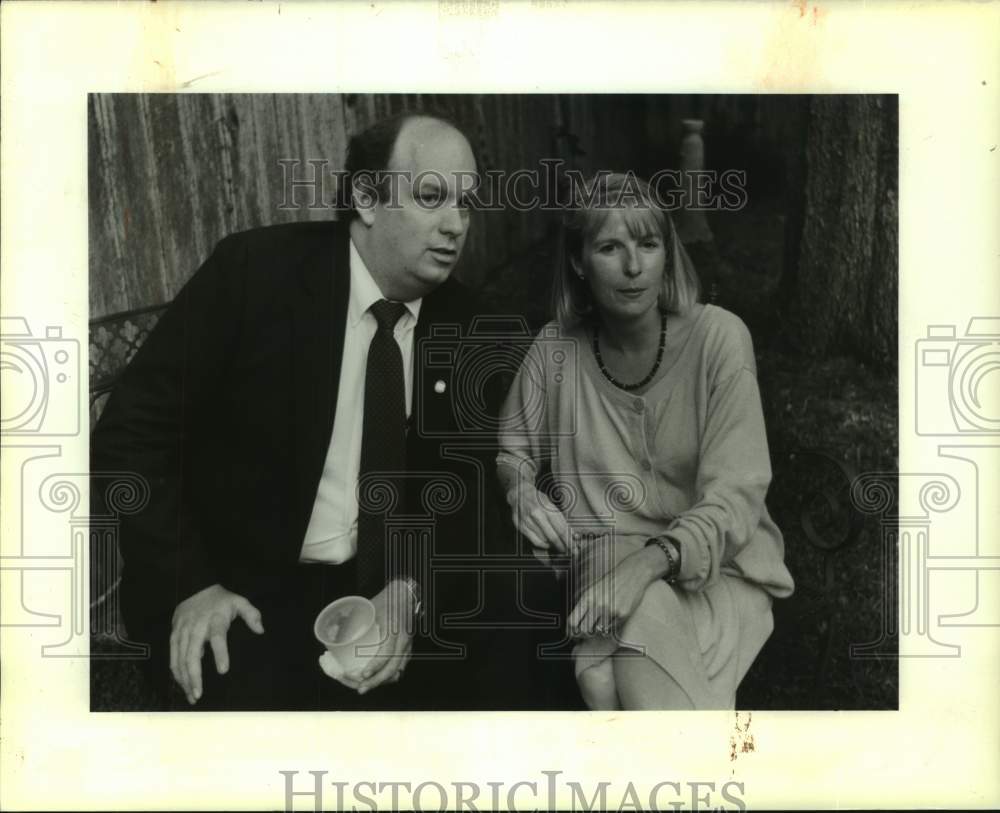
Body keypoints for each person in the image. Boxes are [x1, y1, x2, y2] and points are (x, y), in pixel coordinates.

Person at [91, 111, 501, 711]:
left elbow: (465, 484)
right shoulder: (256, 275)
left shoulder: (468, 324)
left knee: (485, 693)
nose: (455, 226)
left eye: (466, 205)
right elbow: (131, 434)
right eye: (433, 197)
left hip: (384, 590)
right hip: (240, 588)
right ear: (366, 196)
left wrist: (411, 589)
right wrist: (191, 584)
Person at [496, 172, 795, 710]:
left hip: (715, 570)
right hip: (606, 560)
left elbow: (735, 497)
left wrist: (647, 565)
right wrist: (522, 492)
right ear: (579, 262)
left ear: (667, 254)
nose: (634, 267)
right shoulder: (555, 350)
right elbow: (513, 451)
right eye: (611, 247)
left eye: (648, 244)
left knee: (614, 658)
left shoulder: (718, 339)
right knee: (629, 643)